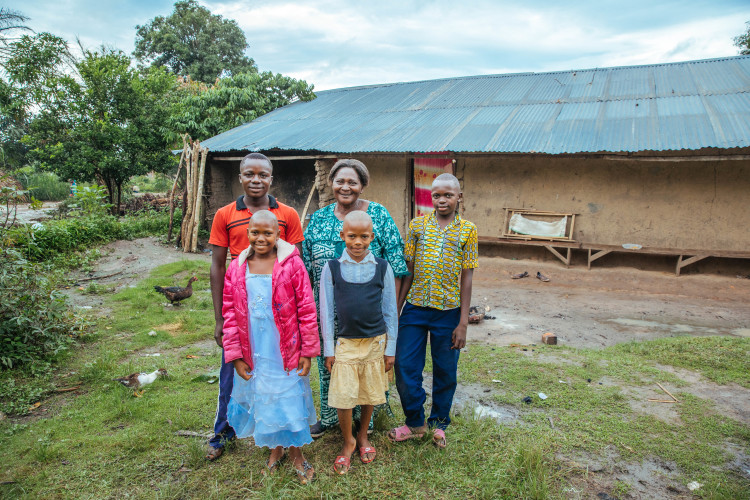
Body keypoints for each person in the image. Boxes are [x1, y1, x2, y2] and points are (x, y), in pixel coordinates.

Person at [207, 153, 304, 461]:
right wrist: (221, 319)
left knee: (280, 374)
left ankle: (286, 431)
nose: (256, 180)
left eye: (263, 175)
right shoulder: (225, 214)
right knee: (233, 371)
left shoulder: (287, 214)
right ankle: (224, 432)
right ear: (240, 177)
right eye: (249, 174)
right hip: (241, 310)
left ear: (271, 179)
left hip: (277, 313)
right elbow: (217, 266)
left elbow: (296, 266)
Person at [302, 159, 408, 438]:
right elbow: (306, 264)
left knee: (367, 367)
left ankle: (365, 424)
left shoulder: (379, 215)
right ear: (330, 184)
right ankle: (330, 418)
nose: (345, 187)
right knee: (331, 364)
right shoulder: (319, 219)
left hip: (369, 312)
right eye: (340, 181)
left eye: (352, 181)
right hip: (328, 309)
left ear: (363, 185)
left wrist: (391, 313)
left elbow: (396, 264)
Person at [221, 210, 319, 484]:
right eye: (255, 232)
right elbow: (230, 313)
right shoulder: (237, 267)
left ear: (278, 234)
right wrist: (236, 355)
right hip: (255, 347)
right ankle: (276, 449)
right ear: (247, 233)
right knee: (265, 394)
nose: (261, 238)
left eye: (268, 233)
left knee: (288, 394)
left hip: (286, 347)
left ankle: (296, 452)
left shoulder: (291, 264)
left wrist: (307, 351)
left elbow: (307, 308)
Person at [390, 173, 478, 449]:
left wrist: (463, 323)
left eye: (448, 195)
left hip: (448, 312)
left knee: (446, 370)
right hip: (415, 309)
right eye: (437, 195)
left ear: (459, 197)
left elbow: (467, 277)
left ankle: (439, 423)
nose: (442, 200)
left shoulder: (468, 230)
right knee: (404, 365)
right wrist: (397, 310)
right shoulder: (417, 226)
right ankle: (415, 422)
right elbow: (408, 270)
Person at [319, 211, 398, 474]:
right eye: (351, 236)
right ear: (342, 236)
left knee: (368, 391)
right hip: (346, 343)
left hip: (375, 342)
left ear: (371, 237)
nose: (357, 242)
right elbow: (326, 312)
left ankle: (363, 434)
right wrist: (328, 349)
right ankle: (348, 441)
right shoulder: (332, 268)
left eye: (364, 237)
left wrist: (390, 349)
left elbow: (390, 310)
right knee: (344, 396)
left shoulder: (382, 267)